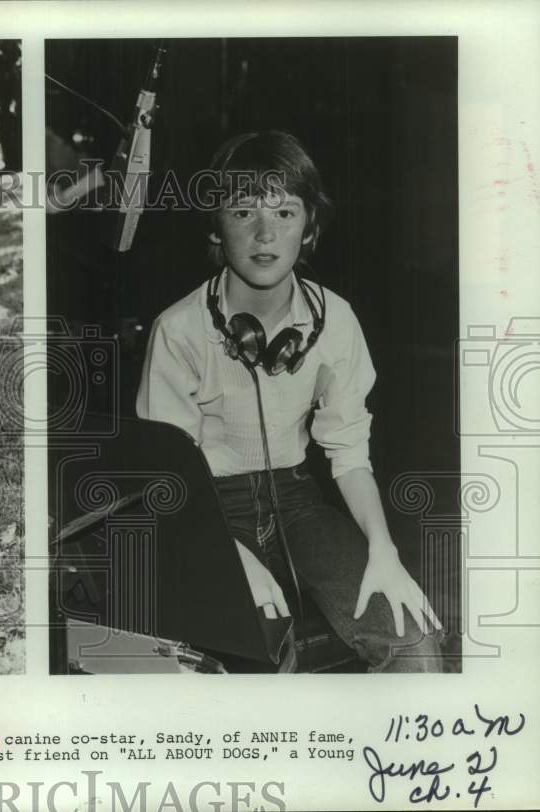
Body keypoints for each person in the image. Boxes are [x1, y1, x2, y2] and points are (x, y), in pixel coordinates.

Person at [136, 130, 442, 672]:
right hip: (208, 507)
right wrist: (230, 556)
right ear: (214, 224)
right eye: (243, 212)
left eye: (284, 213)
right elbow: (167, 479)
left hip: (297, 502)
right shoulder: (177, 330)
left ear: (310, 227)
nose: (263, 234)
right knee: (260, 650)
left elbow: (349, 452)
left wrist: (383, 550)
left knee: (411, 640)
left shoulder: (337, 319)